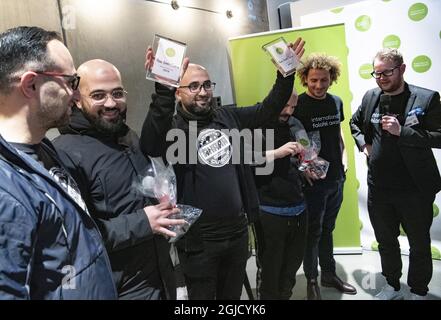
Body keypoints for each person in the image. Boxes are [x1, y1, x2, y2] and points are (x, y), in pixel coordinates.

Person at [140, 38, 305, 299]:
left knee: (231, 297)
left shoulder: (226, 116)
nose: (203, 91)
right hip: (199, 240)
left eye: (206, 84)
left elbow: (268, 108)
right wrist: (161, 91)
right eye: (193, 86)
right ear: (177, 92)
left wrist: (286, 74)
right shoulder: (172, 129)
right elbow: (149, 144)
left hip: (237, 233)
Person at [0, 26, 116, 299]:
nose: (77, 97)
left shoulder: (42, 150)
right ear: (31, 85)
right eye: (71, 82)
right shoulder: (6, 191)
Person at [52, 59, 184, 300]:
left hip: (160, 277)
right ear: (77, 100)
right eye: (98, 95)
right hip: (121, 289)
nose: (111, 103)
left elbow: (154, 139)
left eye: (117, 93)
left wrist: (165, 89)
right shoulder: (63, 154)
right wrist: (144, 222)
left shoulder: (125, 135)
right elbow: (74, 236)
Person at [350, 48, 441, 300]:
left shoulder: (426, 98)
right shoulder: (371, 97)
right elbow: (355, 123)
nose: (381, 78)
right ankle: (392, 285)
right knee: (386, 241)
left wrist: (404, 132)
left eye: (386, 72)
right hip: (379, 188)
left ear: (402, 69)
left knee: (419, 244)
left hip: (414, 189)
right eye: (376, 74)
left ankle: (419, 291)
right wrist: (362, 144)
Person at [293, 53, 356, 300]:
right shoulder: (298, 104)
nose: (319, 86)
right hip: (313, 181)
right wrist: (303, 167)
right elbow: (294, 139)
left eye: (324, 80)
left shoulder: (336, 102)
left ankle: (328, 274)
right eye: (314, 80)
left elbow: (337, 131)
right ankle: (311, 280)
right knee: (313, 232)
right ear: (305, 79)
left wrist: (345, 157)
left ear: (332, 79)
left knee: (328, 229)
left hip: (336, 179)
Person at [253, 91, 308, 300]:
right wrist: (278, 152)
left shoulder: (295, 123)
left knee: (290, 270)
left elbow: (307, 152)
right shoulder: (256, 124)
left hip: (299, 207)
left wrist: (308, 165)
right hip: (269, 209)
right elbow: (246, 160)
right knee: (269, 272)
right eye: (284, 106)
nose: (288, 111)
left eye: (293, 107)